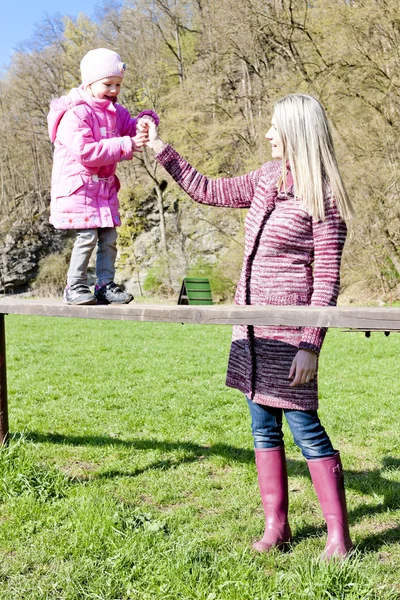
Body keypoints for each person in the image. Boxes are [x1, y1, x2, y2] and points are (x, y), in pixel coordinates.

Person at [145, 93, 354, 559]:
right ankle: (276, 527)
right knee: (262, 426)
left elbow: (328, 279)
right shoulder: (265, 178)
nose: (267, 134)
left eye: (274, 127)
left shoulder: (325, 196)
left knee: (305, 428)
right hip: (251, 333)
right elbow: (209, 189)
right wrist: (161, 148)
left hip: (290, 337)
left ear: (296, 131)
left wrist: (311, 345)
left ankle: (338, 537)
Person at [47, 48, 158, 305]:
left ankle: (104, 285)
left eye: (118, 84)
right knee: (86, 237)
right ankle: (74, 286)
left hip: (103, 191)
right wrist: (126, 143)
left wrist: (142, 123)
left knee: (108, 238)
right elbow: (86, 152)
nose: (114, 90)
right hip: (80, 190)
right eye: (108, 84)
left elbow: (129, 126)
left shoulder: (115, 112)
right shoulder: (75, 113)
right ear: (89, 83)